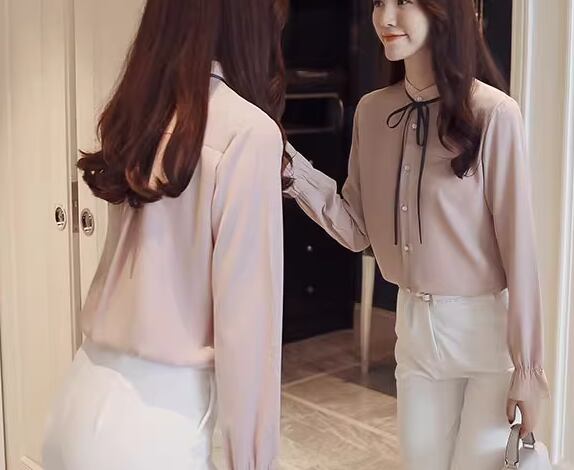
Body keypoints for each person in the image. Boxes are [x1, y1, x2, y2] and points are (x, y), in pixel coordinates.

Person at [283, 0, 550, 468]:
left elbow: (520, 252)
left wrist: (528, 370)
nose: (384, 17)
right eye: (378, 2)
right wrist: (292, 170)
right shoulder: (371, 112)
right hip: (413, 333)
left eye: (403, 1)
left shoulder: (494, 113)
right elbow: (357, 230)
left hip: (484, 336)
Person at [43, 0, 289, 468]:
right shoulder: (247, 132)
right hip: (158, 424)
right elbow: (247, 331)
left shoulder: (141, 115)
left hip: (79, 395)